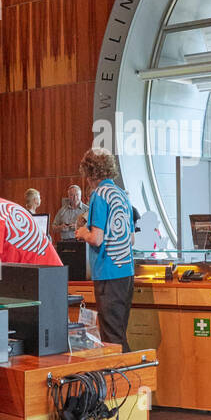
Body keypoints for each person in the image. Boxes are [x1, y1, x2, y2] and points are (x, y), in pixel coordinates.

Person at [73, 150, 135, 351]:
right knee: (119, 332)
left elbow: (96, 238)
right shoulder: (121, 195)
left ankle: (122, 380)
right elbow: (131, 238)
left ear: (89, 172)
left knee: (111, 338)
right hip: (126, 272)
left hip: (108, 272)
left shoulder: (99, 195)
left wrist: (83, 232)